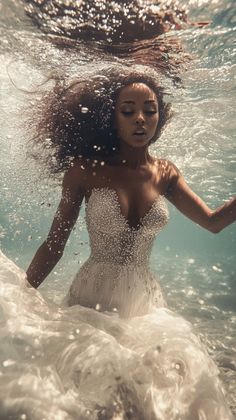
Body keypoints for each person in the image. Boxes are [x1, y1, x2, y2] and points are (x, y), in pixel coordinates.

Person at [25, 66, 235, 418]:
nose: (140, 118)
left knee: (150, 390)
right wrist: (24, 295)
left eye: (149, 110)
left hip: (143, 299)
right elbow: (54, 245)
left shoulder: (165, 173)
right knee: (95, 394)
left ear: (159, 116)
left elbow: (213, 222)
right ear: (114, 117)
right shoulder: (85, 170)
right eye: (128, 111)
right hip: (93, 295)